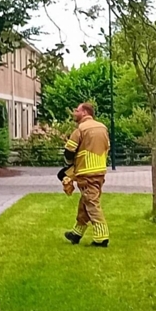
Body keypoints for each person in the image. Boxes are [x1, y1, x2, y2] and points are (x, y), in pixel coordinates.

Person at [59, 102, 111, 247]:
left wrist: (70, 165)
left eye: (77, 110)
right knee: (85, 203)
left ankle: (102, 237)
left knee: (91, 204)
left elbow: (69, 151)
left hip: (86, 172)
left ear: (85, 113)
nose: (74, 113)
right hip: (99, 171)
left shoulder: (81, 129)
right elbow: (107, 147)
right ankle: (76, 233)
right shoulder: (103, 127)